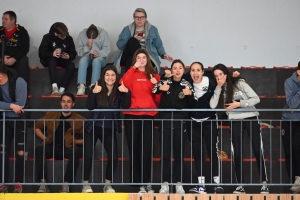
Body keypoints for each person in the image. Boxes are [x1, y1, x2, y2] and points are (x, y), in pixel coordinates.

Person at [209, 64, 269, 194]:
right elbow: (212, 105)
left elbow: (256, 99)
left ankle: (264, 184)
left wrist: (239, 104)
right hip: (235, 120)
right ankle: (240, 185)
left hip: (250, 117)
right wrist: (218, 87)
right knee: (237, 153)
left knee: (258, 150)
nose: (219, 77)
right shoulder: (219, 88)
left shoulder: (239, 83)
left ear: (226, 73)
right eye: (216, 76)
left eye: (221, 74)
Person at [82, 65, 129, 193]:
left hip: (109, 128)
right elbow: (89, 107)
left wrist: (126, 92)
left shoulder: (119, 90)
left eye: (112, 75)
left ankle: (107, 184)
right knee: (87, 155)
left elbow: (126, 106)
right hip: (93, 127)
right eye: (107, 75)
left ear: (116, 77)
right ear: (103, 76)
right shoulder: (97, 88)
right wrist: (93, 93)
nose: (110, 77)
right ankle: (85, 184)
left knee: (114, 157)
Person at [120, 48, 160, 193]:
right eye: (139, 58)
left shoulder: (154, 76)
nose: (141, 60)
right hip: (131, 116)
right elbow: (123, 84)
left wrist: (157, 85)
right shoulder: (131, 73)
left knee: (146, 150)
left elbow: (158, 98)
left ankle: (147, 182)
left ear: (148, 59)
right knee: (134, 150)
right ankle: (138, 184)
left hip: (148, 116)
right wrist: (133, 68)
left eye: (144, 57)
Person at [152, 59, 195, 194]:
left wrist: (190, 94)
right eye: (175, 68)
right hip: (165, 122)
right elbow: (153, 91)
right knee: (165, 154)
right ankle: (164, 184)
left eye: (180, 68)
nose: (177, 70)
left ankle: (179, 184)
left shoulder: (187, 83)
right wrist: (160, 88)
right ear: (171, 70)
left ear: (183, 70)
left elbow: (193, 103)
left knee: (179, 154)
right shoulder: (166, 81)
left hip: (180, 123)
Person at [184, 62, 224, 194]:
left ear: (202, 72)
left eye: (198, 70)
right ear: (190, 72)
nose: (195, 73)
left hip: (209, 121)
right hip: (193, 122)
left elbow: (224, 76)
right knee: (197, 152)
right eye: (193, 70)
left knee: (212, 150)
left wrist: (236, 75)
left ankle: (217, 184)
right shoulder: (186, 82)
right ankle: (201, 186)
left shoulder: (211, 81)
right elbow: (173, 77)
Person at [34, 92, 84, 193]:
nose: (66, 104)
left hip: (67, 148)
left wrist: (75, 141)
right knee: (39, 150)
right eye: (63, 101)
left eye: (68, 102)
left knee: (75, 152)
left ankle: (65, 185)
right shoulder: (51, 115)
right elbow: (37, 127)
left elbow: (89, 137)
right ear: (61, 103)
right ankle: (43, 184)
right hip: (51, 147)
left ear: (73, 104)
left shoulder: (79, 119)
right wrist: (45, 138)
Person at [114, 8, 173, 74]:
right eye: (137, 17)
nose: (139, 19)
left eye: (142, 17)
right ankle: (138, 58)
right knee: (132, 40)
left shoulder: (152, 29)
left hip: (147, 57)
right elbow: (119, 45)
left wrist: (164, 54)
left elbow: (158, 45)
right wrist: (132, 39)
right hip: (128, 55)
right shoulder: (127, 29)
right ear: (134, 18)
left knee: (131, 60)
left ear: (146, 18)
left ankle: (129, 82)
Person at [0, 63, 29, 193]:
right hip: (4, 121)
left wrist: (5, 107)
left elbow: (21, 105)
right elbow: (15, 106)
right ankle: (2, 183)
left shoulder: (19, 81)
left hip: (19, 121)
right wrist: (11, 106)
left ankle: (18, 183)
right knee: (2, 153)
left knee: (20, 153)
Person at [39, 22, 77, 96]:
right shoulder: (47, 37)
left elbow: (73, 53)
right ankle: (54, 87)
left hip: (62, 59)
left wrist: (68, 56)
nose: (64, 37)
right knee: (52, 61)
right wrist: (52, 54)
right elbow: (41, 54)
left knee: (71, 65)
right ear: (55, 34)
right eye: (62, 36)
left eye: (65, 35)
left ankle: (62, 89)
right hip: (49, 59)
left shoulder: (69, 38)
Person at [281, 61, 300, 194]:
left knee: (297, 148)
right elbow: (292, 103)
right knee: (289, 151)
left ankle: (298, 178)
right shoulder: (289, 82)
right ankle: (293, 180)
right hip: (288, 121)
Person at [76, 24, 110, 95]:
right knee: (82, 60)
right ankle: (81, 86)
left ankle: (94, 86)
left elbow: (107, 50)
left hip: (101, 58)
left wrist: (98, 53)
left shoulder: (104, 33)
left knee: (96, 61)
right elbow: (79, 52)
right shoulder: (82, 34)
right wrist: (88, 46)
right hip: (87, 56)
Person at [0, 11, 29, 83]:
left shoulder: (22, 31)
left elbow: (25, 48)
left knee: (24, 60)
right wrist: (1, 57)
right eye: (2, 19)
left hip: (16, 59)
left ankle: (22, 90)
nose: (3, 21)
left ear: (13, 20)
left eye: (6, 19)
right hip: (1, 58)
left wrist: (14, 58)